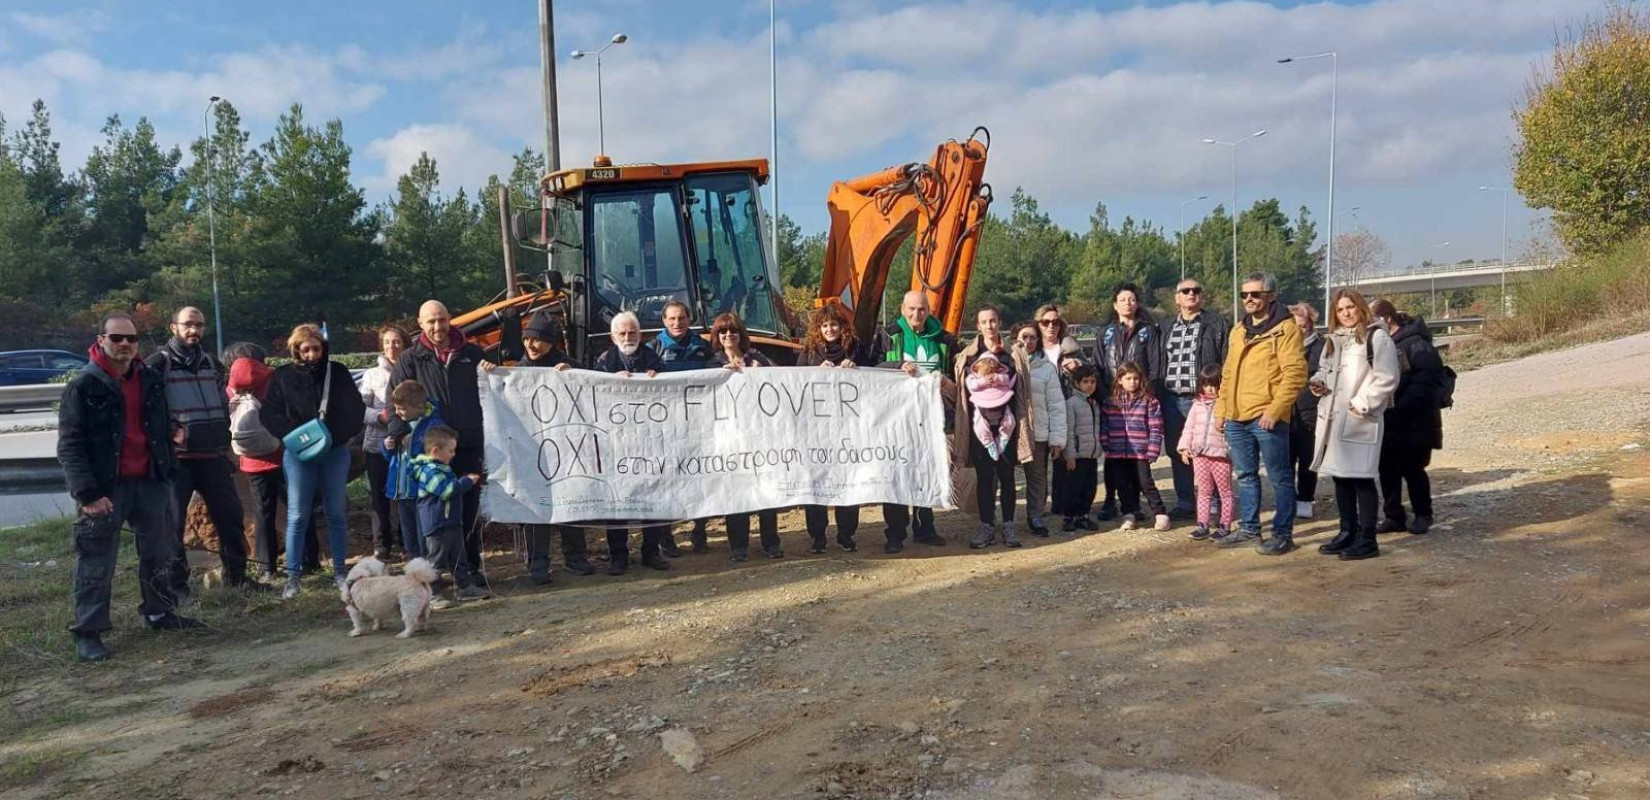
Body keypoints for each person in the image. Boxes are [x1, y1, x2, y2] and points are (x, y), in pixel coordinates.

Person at [60, 314, 200, 662]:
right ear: (101, 340)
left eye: (131, 339)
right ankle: (89, 631)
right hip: (105, 487)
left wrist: (171, 437)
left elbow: (158, 422)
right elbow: (70, 445)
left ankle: (159, 612)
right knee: (96, 561)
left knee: (159, 552)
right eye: (117, 338)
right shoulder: (83, 385)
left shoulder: (149, 378)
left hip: (151, 480)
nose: (125, 344)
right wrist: (87, 494)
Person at [390, 300, 495, 597]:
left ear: (450, 319)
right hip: (429, 453)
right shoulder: (410, 359)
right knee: (432, 518)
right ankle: (432, 580)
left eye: (442, 320)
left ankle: (469, 571)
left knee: (467, 511)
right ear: (420, 323)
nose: (438, 327)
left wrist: (492, 371)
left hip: (467, 445)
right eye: (431, 321)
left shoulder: (473, 354)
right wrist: (401, 437)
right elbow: (394, 400)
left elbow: (494, 392)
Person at [147, 306, 253, 596]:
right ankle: (178, 588)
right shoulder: (157, 364)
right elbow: (146, 410)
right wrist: (171, 432)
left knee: (231, 519)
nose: (194, 330)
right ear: (174, 327)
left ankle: (237, 579)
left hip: (213, 455)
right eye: (188, 324)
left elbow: (222, 403)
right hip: (178, 459)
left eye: (199, 325)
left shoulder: (212, 364)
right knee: (172, 526)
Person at [261, 323, 366, 598]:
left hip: (334, 450)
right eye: (305, 349)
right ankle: (293, 577)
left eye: (316, 349)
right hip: (299, 452)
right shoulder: (282, 376)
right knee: (297, 514)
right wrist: (295, 436)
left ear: (323, 348)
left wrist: (333, 437)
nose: (311, 355)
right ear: (296, 350)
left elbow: (355, 410)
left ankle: (340, 572)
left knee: (336, 512)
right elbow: (269, 413)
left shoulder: (337, 372)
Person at [1216, 272, 1309, 555]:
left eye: (1255, 294)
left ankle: (1282, 534)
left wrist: (1275, 410)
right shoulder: (1238, 331)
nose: (1248, 299)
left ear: (1270, 296)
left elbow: (1295, 374)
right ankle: (1249, 529)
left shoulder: (1286, 330)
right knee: (1245, 475)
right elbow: (1228, 373)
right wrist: (1221, 410)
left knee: (1280, 477)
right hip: (1236, 416)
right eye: (1244, 294)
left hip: (1267, 417)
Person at [1309, 290, 1400, 560]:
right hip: (1334, 419)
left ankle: (1367, 538)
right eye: (1340, 309)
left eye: (1350, 307)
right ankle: (1347, 531)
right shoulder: (1334, 339)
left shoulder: (1377, 338)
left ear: (1360, 308)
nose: (1346, 313)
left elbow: (1387, 378)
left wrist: (1361, 404)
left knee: (1361, 478)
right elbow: (1325, 370)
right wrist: (1318, 382)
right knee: (1341, 477)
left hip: (1361, 418)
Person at [870, 290, 958, 553]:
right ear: (902, 309)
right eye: (911, 309)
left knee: (925, 473)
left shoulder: (945, 339)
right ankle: (895, 534)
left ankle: (925, 529)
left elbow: (958, 374)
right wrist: (896, 365)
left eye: (921, 309)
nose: (916, 314)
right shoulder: (887, 336)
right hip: (895, 419)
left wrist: (947, 382)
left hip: (932, 418)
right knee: (896, 474)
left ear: (928, 311)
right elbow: (870, 368)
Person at [515, 311, 597, 582]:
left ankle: (576, 557)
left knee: (570, 503)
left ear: (551, 342)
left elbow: (594, 395)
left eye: (537, 340)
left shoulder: (571, 367)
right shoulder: (517, 372)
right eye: (527, 339)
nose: (530, 345)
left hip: (567, 450)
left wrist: (576, 377)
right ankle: (538, 564)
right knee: (535, 507)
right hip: (532, 451)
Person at [225, 343, 318, 581]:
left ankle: (267, 567)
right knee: (298, 506)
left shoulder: (231, 386)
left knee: (262, 512)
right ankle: (309, 560)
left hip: (251, 458)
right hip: (285, 452)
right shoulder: (277, 378)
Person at [590, 311, 671, 574]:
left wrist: (657, 379)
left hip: (649, 442)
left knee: (653, 497)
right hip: (616, 444)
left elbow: (671, 393)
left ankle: (651, 552)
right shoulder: (604, 362)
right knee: (617, 501)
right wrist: (611, 382)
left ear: (640, 334)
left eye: (632, 332)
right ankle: (618, 556)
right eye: (622, 333)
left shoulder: (653, 358)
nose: (628, 337)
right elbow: (592, 394)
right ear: (613, 337)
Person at [954, 305, 1030, 549]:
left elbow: (1022, 388)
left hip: (1007, 423)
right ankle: (986, 525)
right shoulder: (968, 356)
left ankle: (1008, 524)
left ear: (1000, 322)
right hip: (979, 425)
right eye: (985, 321)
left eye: (993, 320)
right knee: (985, 478)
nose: (990, 325)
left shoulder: (1013, 354)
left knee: (1007, 477)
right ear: (978, 326)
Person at [711, 312, 785, 561]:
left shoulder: (758, 358)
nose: (728, 335)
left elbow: (783, 380)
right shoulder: (712, 364)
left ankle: (770, 542)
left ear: (741, 334)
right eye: (723, 331)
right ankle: (739, 545)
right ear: (717, 336)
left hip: (761, 436)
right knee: (736, 492)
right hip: (730, 439)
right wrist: (720, 376)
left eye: (733, 330)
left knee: (766, 490)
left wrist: (761, 372)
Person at [797, 304, 870, 553]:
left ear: (842, 327)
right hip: (816, 430)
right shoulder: (808, 352)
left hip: (848, 428)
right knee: (817, 482)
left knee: (847, 480)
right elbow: (794, 382)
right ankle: (817, 536)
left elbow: (874, 376)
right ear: (818, 329)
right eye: (825, 325)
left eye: (834, 325)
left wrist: (857, 370)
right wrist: (813, 373)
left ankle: (846, 534)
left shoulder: (856, 349)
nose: (830, 329)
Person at [1370, 299, 1446, 535]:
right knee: (1386, 469)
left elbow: (1427, 380)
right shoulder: (1381, 344)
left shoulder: (1416, 343)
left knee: (1413, 469)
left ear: (1386, 319)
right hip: (1388, 418)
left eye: (1372, 319)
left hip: (1416, 420)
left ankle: (1423, 514)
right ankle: (1394, 516)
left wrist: (1399, 402)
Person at [1156, 278, 1229, 519]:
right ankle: (1185, 502)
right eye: (1185, 291)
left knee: (1212, 450)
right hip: (1172, 399)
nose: (1191, 294)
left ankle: (1216, 502)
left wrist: (1222, 396)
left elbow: (1226, 361)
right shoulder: (1165, 327)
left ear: (1202, 295)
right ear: (1177, 297)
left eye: (1196, 290)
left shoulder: (1216, 324)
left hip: (1204, 400)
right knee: (1179, 451)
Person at [649, 299, 715, 556]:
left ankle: (700, 529)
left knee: (701, 477)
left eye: (682, 318)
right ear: (664, 321)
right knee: (667, 480)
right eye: (672, 319)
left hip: (699, 423)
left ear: (690, 319)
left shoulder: (703, 347)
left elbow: (718, 374)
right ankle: (665, 537)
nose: (677, 323)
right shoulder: (652, 348)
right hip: (666, 425)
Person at [1095, 283, 1160, 520]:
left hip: (1138, 401)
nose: (1127, 304)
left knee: (1135, 455)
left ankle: (1133, 503)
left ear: (1138, 303)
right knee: (1113, 457)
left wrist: (1146, 394)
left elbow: (1155, 366)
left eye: (1131, 299)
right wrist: (1106, 396)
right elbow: (1099, 366)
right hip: (1112, 402)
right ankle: (1109, 500)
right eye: (1122, 300)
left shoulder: (1147, 332)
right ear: (1115, 305)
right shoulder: (1106, 333)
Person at [409, 425, 484, 606]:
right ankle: (432, 594)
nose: (453, 454)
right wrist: (466, 482)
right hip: (437, 525)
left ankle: (465, 587)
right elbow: (446, 490)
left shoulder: (443, 468)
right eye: (450, 451)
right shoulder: (429, 471)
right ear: (436, 451)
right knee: (436, 561)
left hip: (452, 522)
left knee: (459, 557)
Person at [1012, 321, 1067, 536]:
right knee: (1006, 478)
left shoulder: (1046, 368)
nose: (1028, 341)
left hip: (1038, 431)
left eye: (1032, 337)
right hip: (1011, 431)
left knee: (1037, 477)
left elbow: (1056, 405)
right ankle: (1005, 519)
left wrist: (1057, 438)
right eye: (1024, 337)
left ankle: (1035, 515)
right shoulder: (1007, 364)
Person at [358, 325, 407, 561]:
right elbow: (360, 408)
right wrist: (379, 416)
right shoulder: (371, 375)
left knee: (406, 493)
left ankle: (407, 541)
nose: (392, 346)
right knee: (379, 496)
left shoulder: (412, 369)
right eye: (387, 342)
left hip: (407, 442)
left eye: (396, 341)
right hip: (377, 442)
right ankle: (382, 545)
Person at [1100, 362, 1169, 531]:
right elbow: (1104, 425)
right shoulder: (1110, 402)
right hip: (1117, 451)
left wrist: (1153, 449)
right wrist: (1106, 444)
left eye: (1136, 378)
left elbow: (1156, 427)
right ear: (1120, 380)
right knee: (1122, 484)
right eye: (1128, 378)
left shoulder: (1149, 401)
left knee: (1145, 483)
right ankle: (1128, 514)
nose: (1133, 382)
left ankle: (1160, 513)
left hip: (1140, 451)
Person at [384, 380, 443, 562]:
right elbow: (392, 458)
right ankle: (413, 566)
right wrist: (387, 447)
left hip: (422, 491)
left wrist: (414, 443)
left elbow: (436, 454)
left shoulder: (433, 424)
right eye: (396, 408)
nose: (397, 413)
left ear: (419, 407)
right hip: (403, 491)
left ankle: (429, 568)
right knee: (408, 535)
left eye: (402, 409)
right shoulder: (400, 426)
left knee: (424, 533)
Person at [1177, 365, 1236, 542]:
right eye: (1206, 384)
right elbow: (1189, 427)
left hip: (1220, 456)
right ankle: (1202, 525)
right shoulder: (1196, 405)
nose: (1210, 389)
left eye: (1214, 385)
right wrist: (1184, 447)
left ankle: (1225, 526)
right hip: (1200, 455)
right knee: (1203, 491)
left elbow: (1233, 430)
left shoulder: (1227, 405)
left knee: (1225, 492)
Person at [1288, 303, 1326, 520]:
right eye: (1295, 326)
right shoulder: (1282, 346)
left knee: (1308, 458)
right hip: (1285, 411)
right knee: (1285, 459)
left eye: (1303, 326)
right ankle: (1288, 497)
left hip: (1311, 409)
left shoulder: (1321, 346)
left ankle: (1305, 498)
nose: (1299, 331)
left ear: (1311, 324)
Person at [1056, 365, 1103, 532]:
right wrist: (1069, 455)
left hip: (1091, 454)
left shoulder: (1094, 404)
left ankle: (1083, 515)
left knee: (1089, 488)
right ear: (1076, 383)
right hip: (1077, 455)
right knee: (1073, 488)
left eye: (1092, 381)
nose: (1089, 385)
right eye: (1085, 381)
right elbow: (1069, 431)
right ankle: (1068, 517)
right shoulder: (1071, 404)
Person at [1033, 304, 1089, 396]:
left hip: (1067, 398)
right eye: (1045, 322)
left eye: (1055, 322)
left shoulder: (1070, 347)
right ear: (1038, 325)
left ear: (1061, 325)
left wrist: (1078, 364)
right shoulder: (1032, 349)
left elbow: (1091, 371)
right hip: (1039, 399)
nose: (1051, 326)